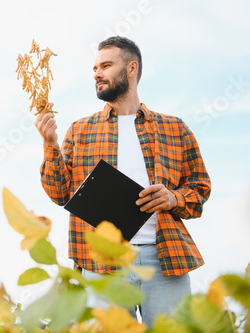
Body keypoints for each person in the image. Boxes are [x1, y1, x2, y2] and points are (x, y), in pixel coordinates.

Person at [34, 36, 211, 327]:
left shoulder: (175, 128)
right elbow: (61, 193)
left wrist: (173, 198)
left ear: (131, 68)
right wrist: (50, 144)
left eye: (105, 65)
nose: (97, 74)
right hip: (103, 263)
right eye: (94, 68)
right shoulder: (80, 130)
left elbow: (200, 190)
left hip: (166, 258)